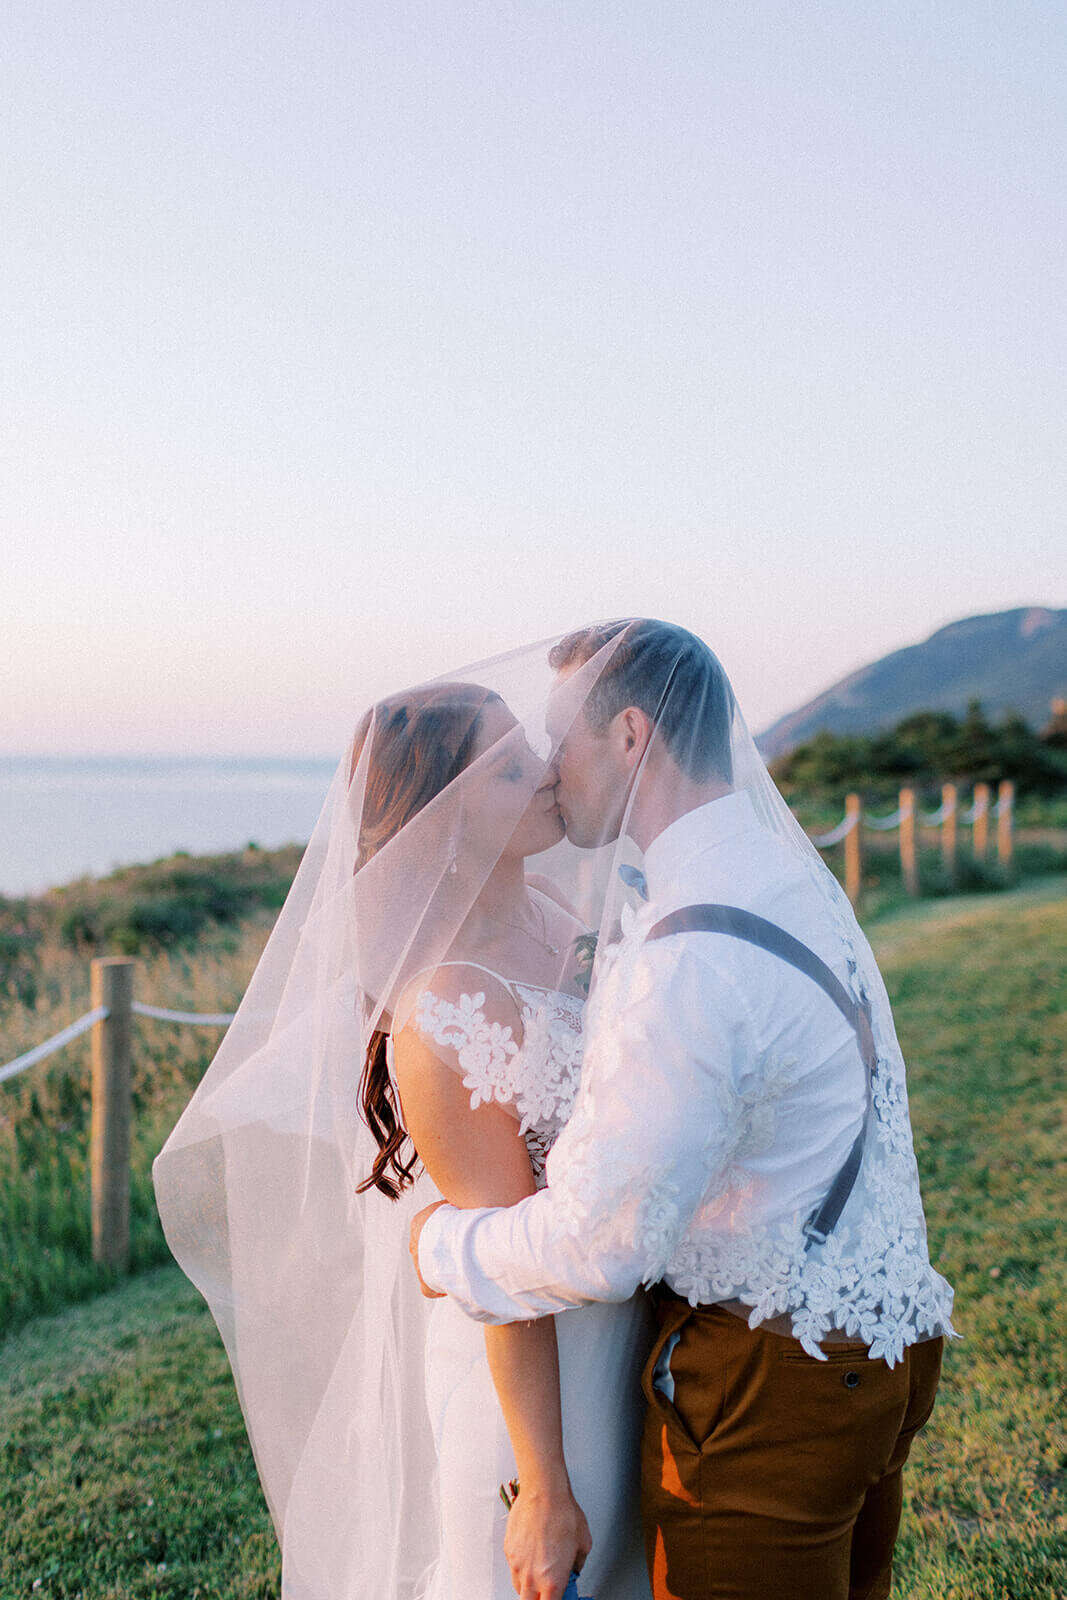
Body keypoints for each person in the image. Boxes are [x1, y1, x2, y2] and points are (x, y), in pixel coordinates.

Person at [412, 619, 957, 1600]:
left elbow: (598, 1246)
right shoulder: (781, 874)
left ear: (628, 737)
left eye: (558, 739)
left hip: (772, 1390)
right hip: (884, 1348)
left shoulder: (684, 958)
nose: (547, 768)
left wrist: (440, 1247)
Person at [153, 668, 654, 1600]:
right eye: (508, 771)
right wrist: (542, 1484)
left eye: (532, 752)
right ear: (443, 820)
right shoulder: (446, 1005)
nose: (548, 772)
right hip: (529, 1394)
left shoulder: (559, 924)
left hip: (619, 1334)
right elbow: (498, 1272)